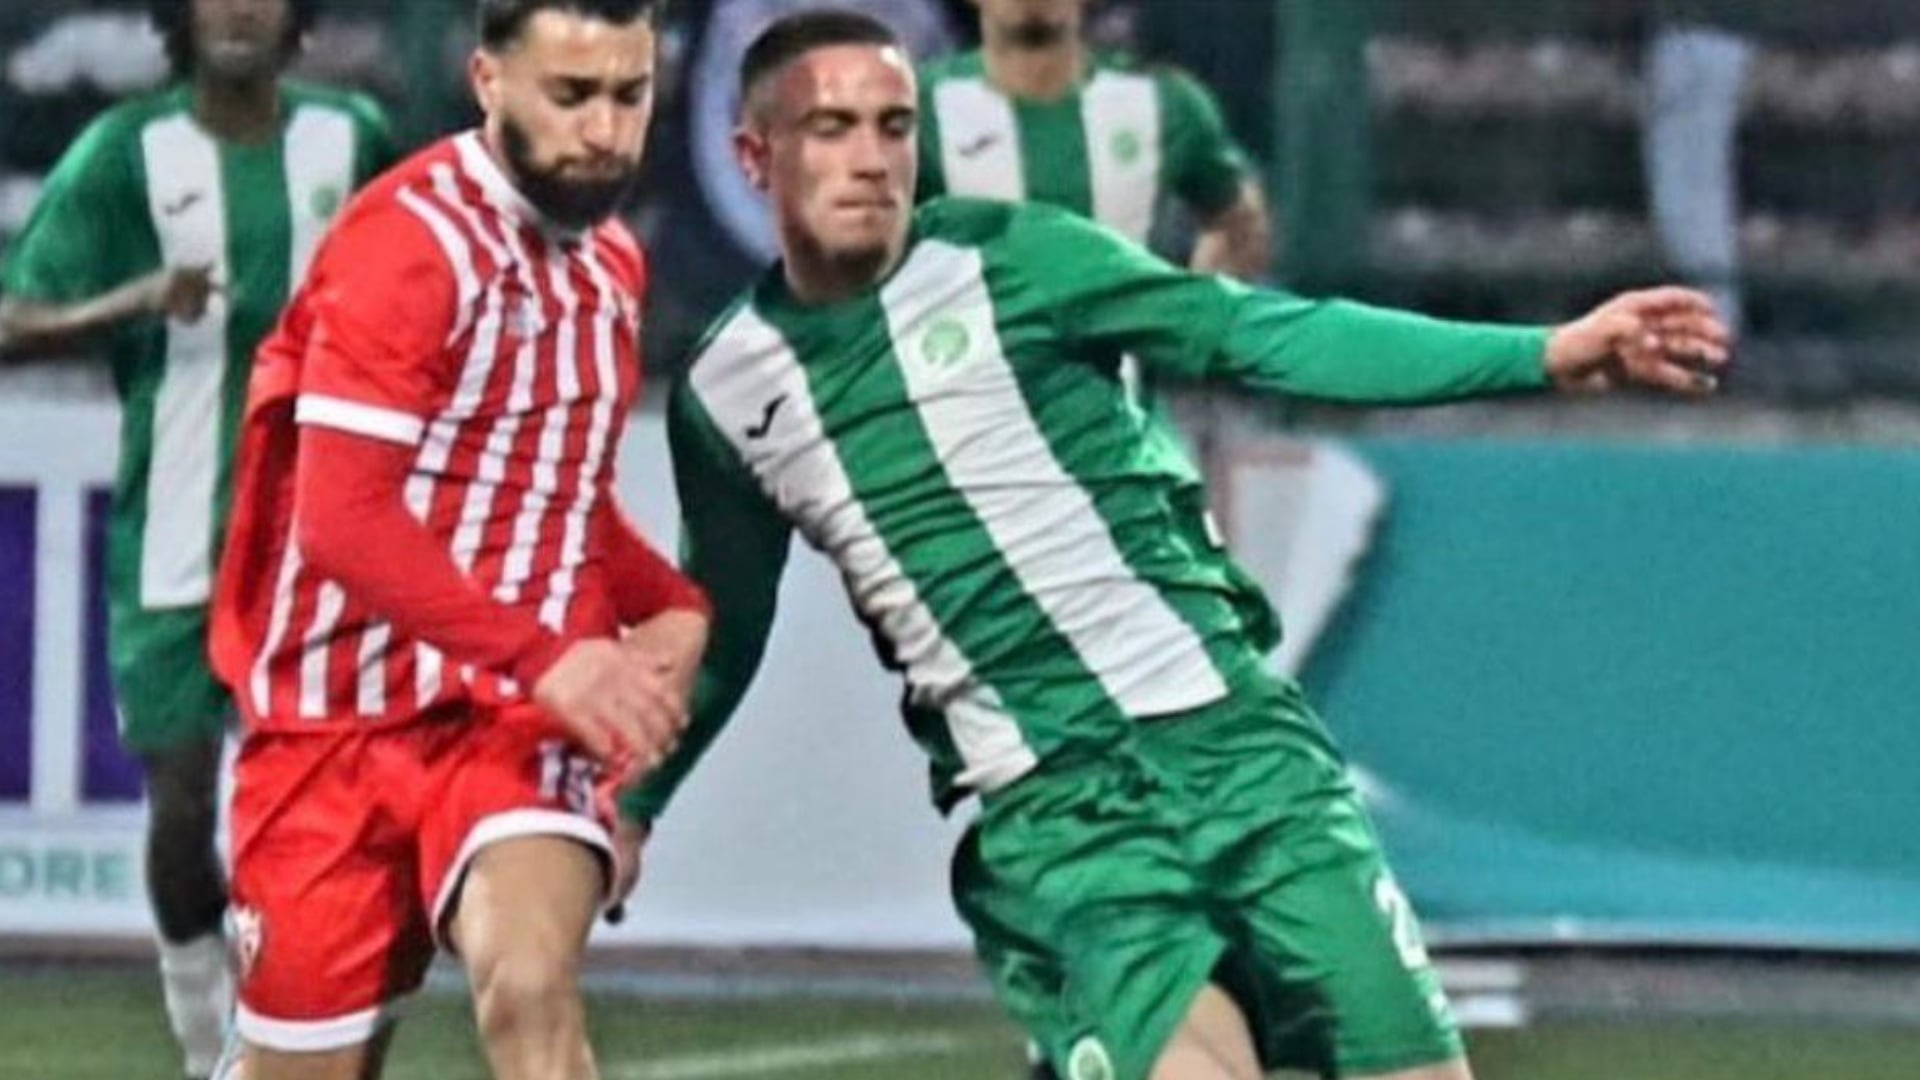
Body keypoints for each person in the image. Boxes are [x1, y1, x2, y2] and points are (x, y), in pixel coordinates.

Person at [617, 10, 1729, 1080]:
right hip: (1062, 813)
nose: (870, 158)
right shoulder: (733, 391)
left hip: (1242, 750)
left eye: (892, 126)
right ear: (753, 156)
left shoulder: (1020, 258)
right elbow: (725, 624)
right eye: (831, 127)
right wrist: (633, 807)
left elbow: (1264, 334)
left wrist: (1542, 354)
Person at [207, 0, 707, 1076]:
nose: (605, 131)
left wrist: (669, 602)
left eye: (629, 95)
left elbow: (553, 493)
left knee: (528, 987)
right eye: (571, 95)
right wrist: (551, 656)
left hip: (508, 722)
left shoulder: (611, 264)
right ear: (488, 82)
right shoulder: (409, 247)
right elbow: (342, 519)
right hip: (330, 727)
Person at [0, 2, 393, 1075]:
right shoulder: (123, 151)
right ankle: (205, 1042)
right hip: (175, 540)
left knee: (336, 826)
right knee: (180, 814)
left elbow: (430, 280)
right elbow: (12, 319)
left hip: (329, 547)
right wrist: (127, 300)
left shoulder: (353, 137)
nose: (240, 8)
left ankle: (311, 1039)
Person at [919, 0, 1269, 278]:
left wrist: (1196, 322)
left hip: (1125, 348)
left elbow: (1237, 224)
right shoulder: (916, 107)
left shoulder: (1164, 103)